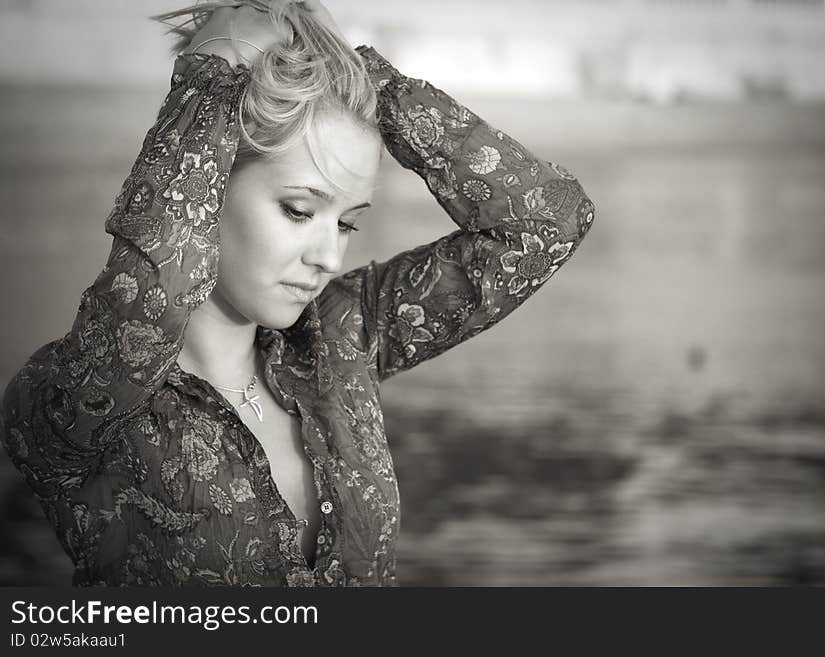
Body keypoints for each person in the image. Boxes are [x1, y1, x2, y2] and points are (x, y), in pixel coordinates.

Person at [0, 0, 595, 586]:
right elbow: (156, 295)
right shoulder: (79, 397)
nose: (329, 257)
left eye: (345, 222)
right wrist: (213, 76)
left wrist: (370, 81)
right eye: (298, 210)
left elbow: (546, 226)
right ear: (209, 185)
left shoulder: (341, 338)